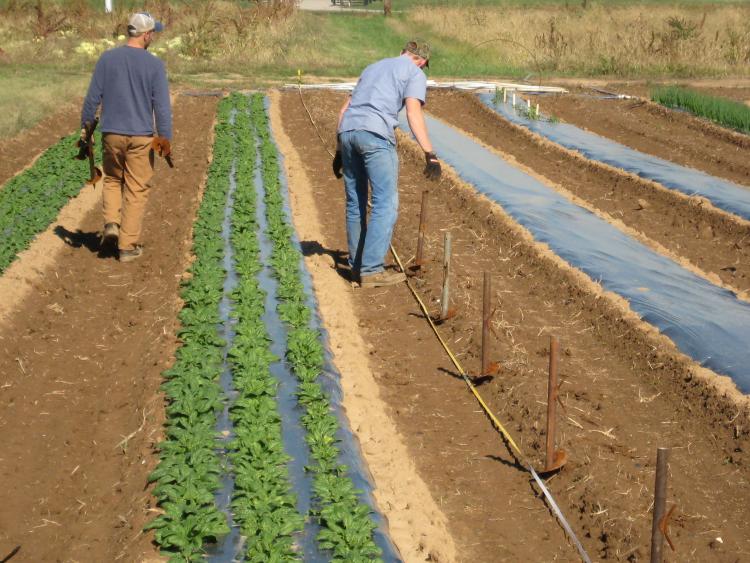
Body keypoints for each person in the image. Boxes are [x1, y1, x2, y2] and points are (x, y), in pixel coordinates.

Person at [333, 39, 442, 288]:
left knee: (355, 201)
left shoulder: (372, 68)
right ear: (422, 61)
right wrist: (430, 153)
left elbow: (344, 110)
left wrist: (339, 150)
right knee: (386, 203)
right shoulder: (414, 73)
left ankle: (356, 267)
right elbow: (413, 112)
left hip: (348, 132)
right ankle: (371, 271)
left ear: (403, 52)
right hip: (375, 136)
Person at [80, 12, 172, 263]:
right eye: (152, 32)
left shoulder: (107, 59)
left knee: (111, 179)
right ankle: (127, 246)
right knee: (136, 188)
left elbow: (91, 100)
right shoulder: (154, 65)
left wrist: (85, 132)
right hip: (141, 137)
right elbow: (161, 107)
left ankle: (111, 224)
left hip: (111, 133)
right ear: (145, 35)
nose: (153, 36)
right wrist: (164, 138)